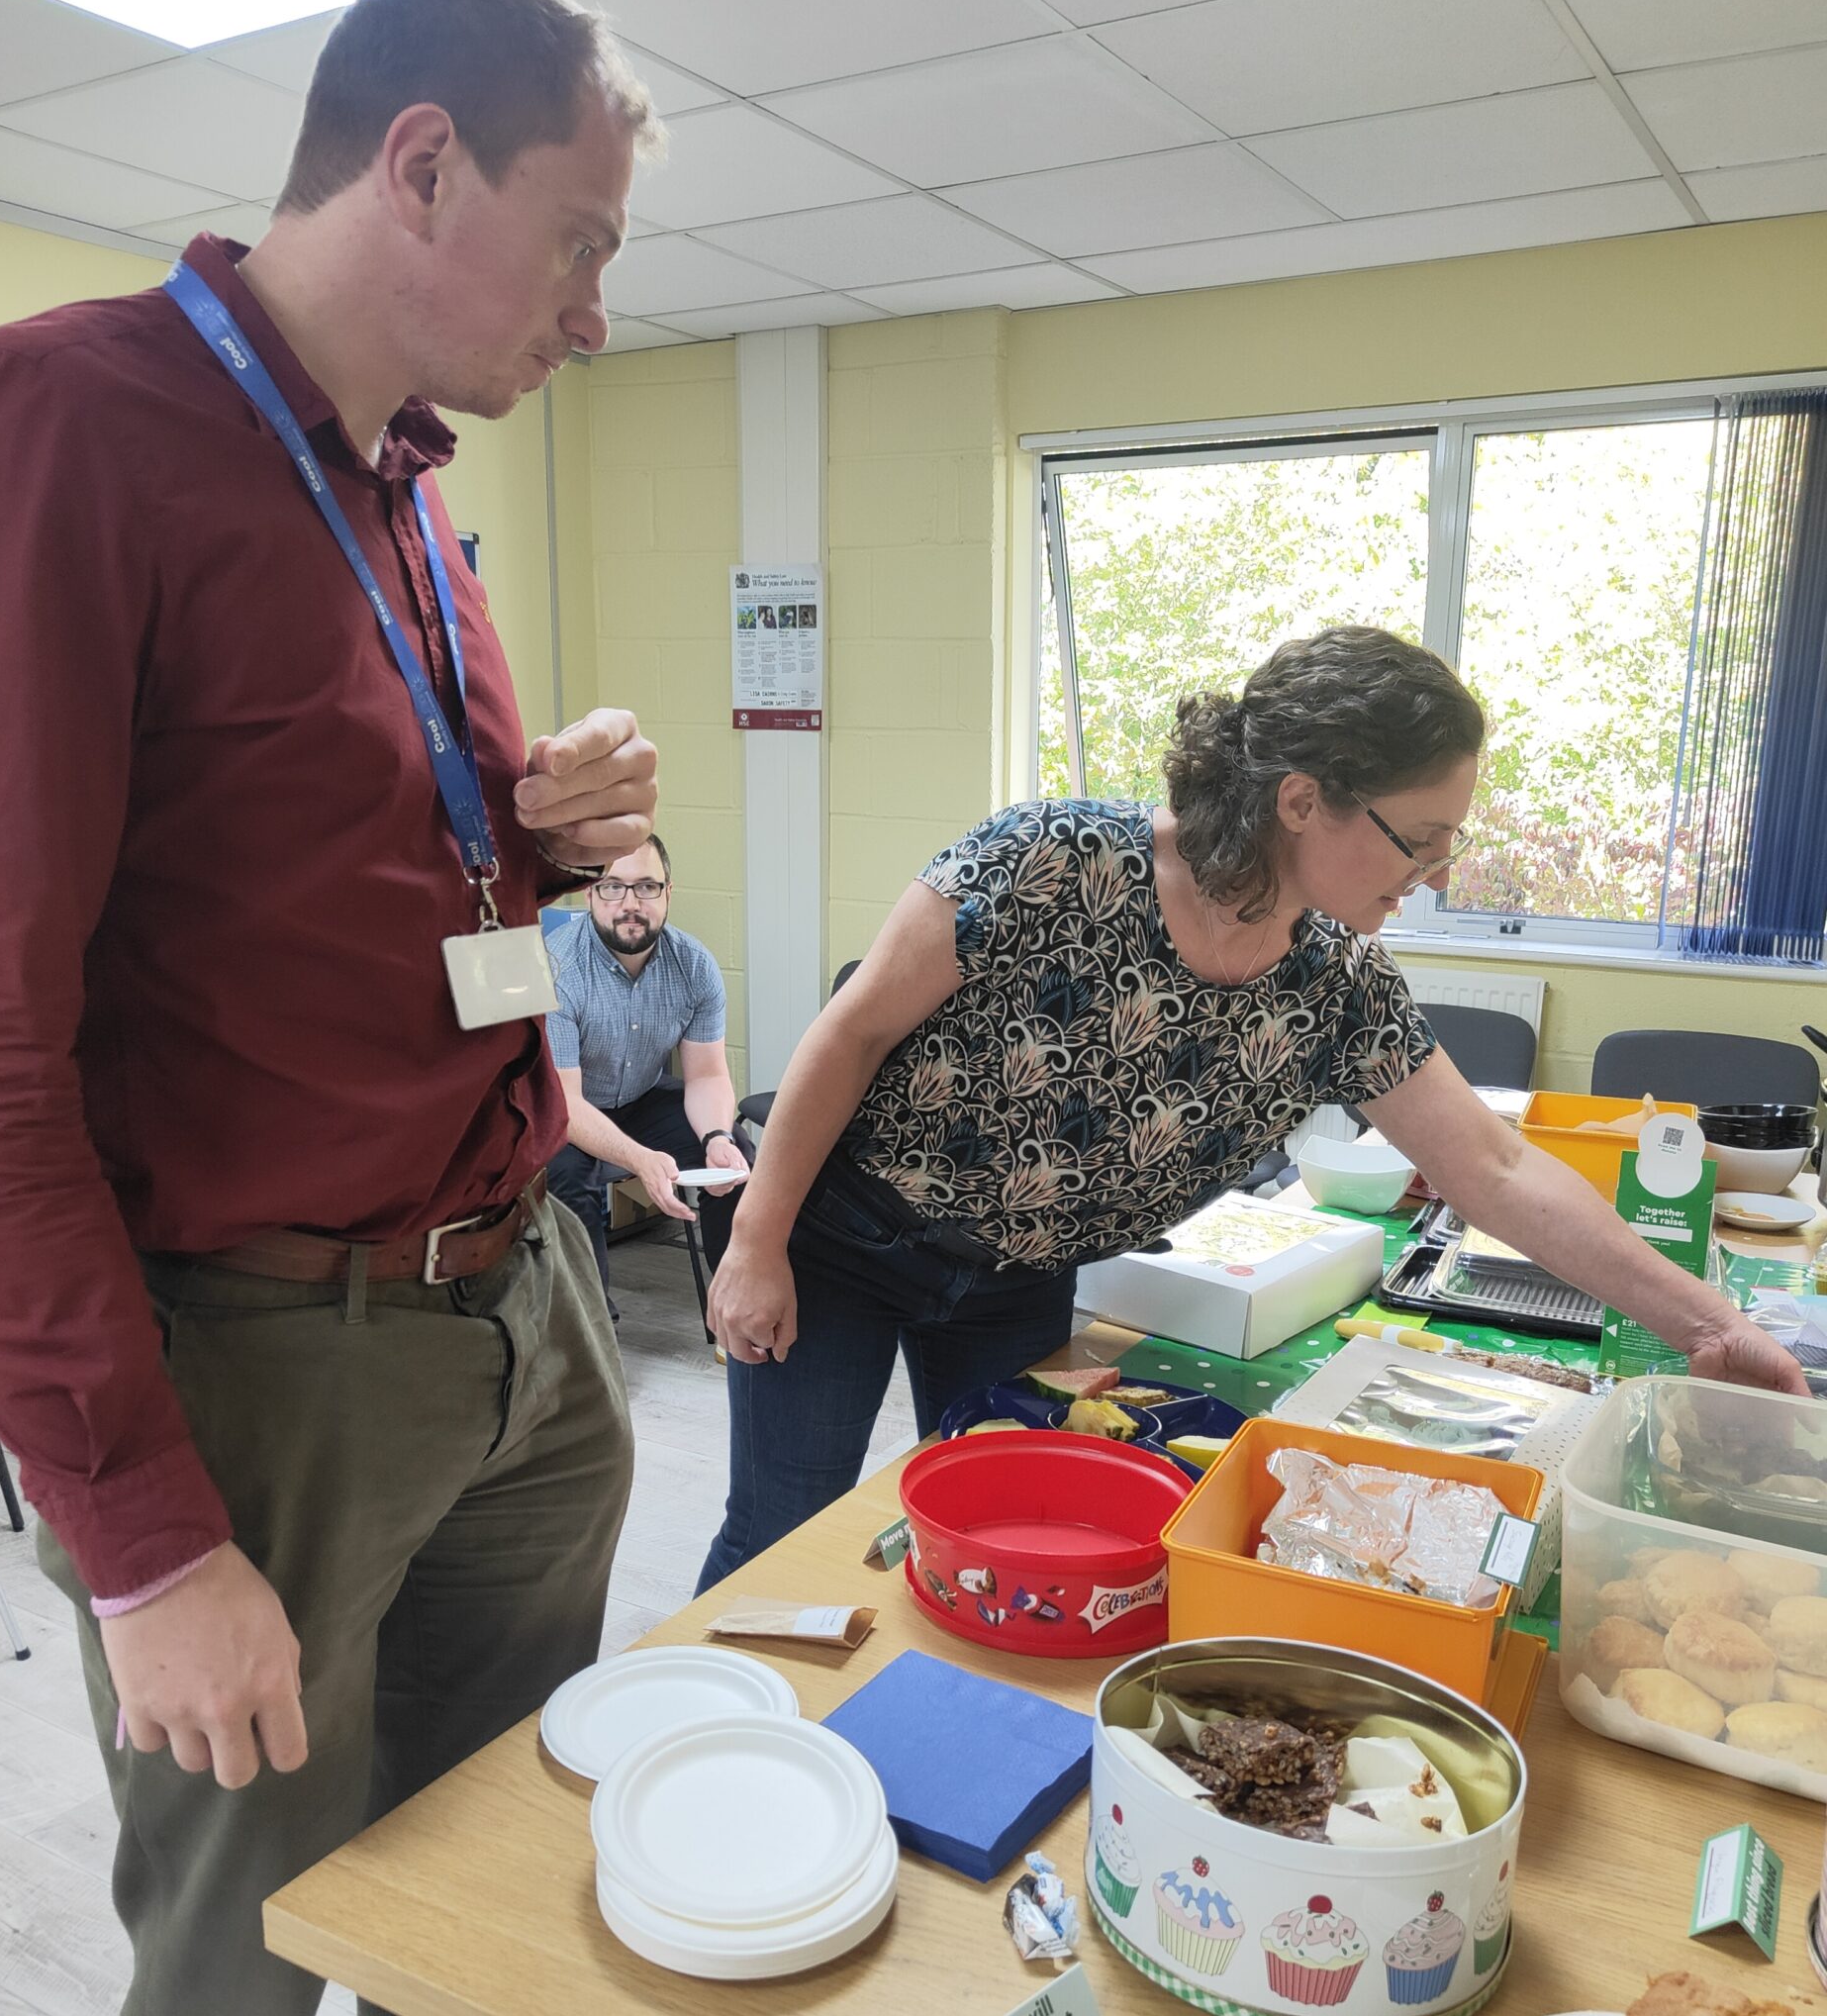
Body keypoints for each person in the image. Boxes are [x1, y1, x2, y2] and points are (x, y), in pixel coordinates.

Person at [0, 0, 664, 2016]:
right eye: (580, 239)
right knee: (235, 2008)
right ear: (424, 162)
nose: (597, 309)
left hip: (517, 1306)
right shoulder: (56, 427)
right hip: (268, 1363)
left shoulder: (410, 486)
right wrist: (147, 1543)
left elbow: (353, 899)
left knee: (470, 1900)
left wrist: (530, 841)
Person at [701, 624, 1805, 1587]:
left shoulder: (1335, 983)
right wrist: (755, 1241)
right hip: (844, 1242)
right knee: (782, 1528)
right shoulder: (1049, 862)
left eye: (1450, 840)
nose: (1435, 870)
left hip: (1018, 1281)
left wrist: (1712, 1326)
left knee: (1009, 1528)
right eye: (1420, 836)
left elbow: (1498, 1169)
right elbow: (849, 1032)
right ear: (1302, 799)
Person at [543, 833, 749, 1305]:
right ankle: (593, 1327)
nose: (630, 904)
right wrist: (640, 1159)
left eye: (647, 887)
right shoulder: (557, 967)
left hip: (641, 1097)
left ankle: (737, 1306)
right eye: (613, 887)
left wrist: (716, 1137)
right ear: (590, 893)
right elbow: (565, 1103)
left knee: (735, 1158)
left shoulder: (694, 965)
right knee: (568, 1179)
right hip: (568, 1111)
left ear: (668, 893)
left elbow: (707, 1076)